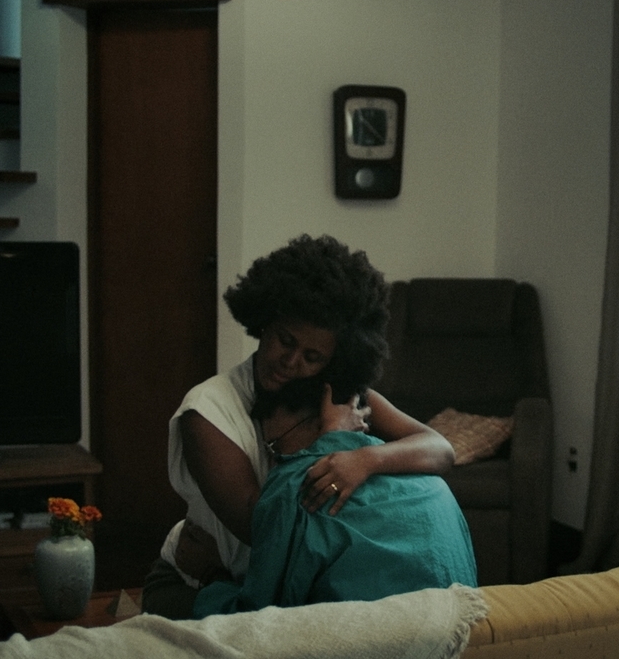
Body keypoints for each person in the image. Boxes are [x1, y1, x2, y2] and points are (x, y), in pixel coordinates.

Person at [142, 234, 456, 619]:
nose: (290, 362)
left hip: (288, 594)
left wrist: (364, 461)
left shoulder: (338, 395)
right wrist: (331, 442)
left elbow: (440, 449)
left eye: (312, 356)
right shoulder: (206, 411)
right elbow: (265, 530)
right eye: (284, 340)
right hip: (201, 579)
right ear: (264, 322)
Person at [188, 376, 476, 618]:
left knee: (168, 592)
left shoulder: (296, 486)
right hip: (454, 639)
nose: (275, 462)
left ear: (318, 422)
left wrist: (211, 576)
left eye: (275, 447)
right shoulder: (431, 482)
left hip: (371, 644)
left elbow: (255, 617)